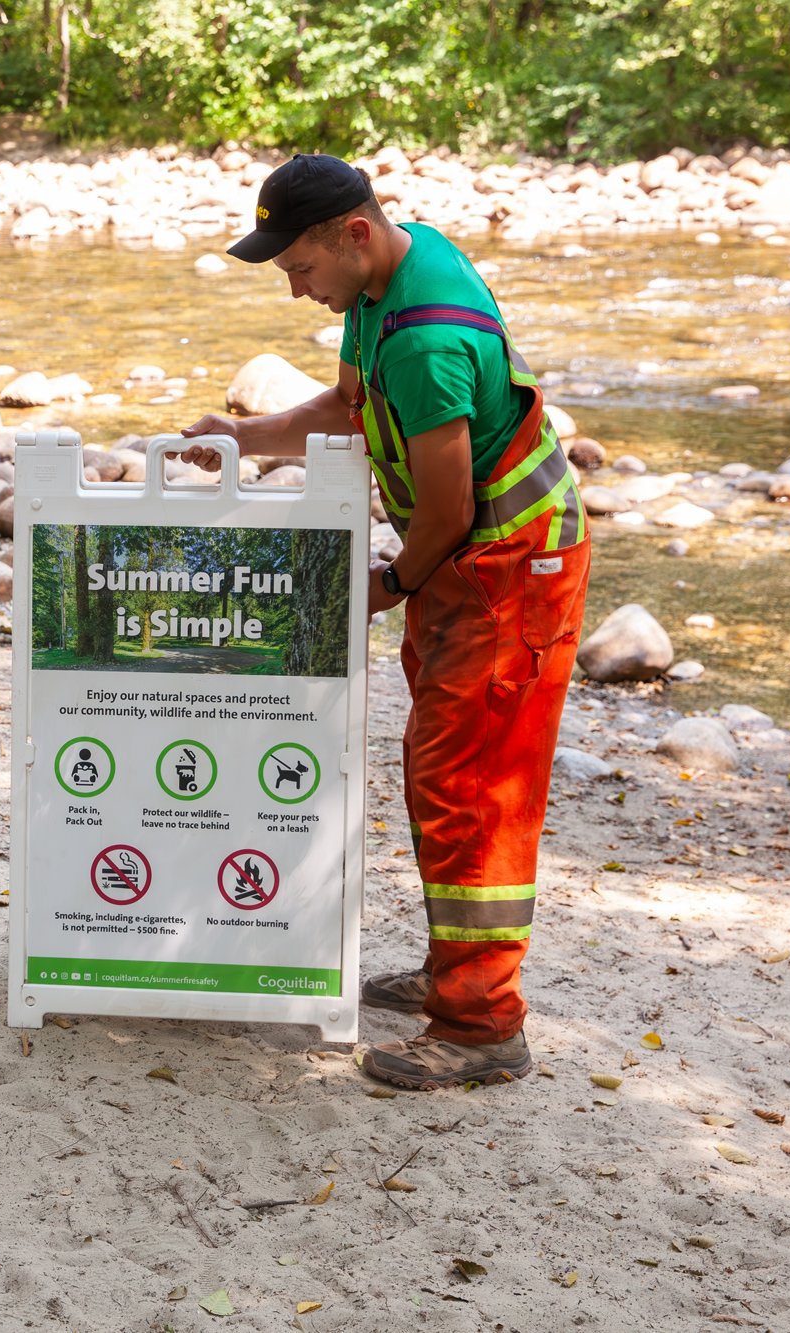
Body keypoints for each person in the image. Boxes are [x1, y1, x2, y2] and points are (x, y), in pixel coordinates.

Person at [182, 153, 590, 1091]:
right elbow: (349, 408)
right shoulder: (388, 285)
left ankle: (483, 1026)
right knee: (440, 769)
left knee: (472, 787)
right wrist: (243, 440)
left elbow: (445, 510)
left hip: (508, 568)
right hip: (472, 564)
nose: (296, 290)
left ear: (352, 235)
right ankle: (460, 976)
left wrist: (392, 581)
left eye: (300, 268)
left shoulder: (423, 338)